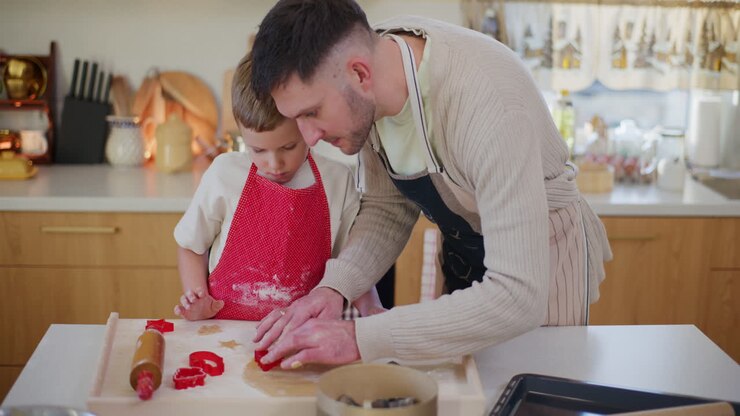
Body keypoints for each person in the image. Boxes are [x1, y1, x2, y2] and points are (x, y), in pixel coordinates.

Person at [249, 0, 612, 369]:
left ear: (360, 74)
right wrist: (336, 287)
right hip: (465, 253)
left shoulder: (489, 107)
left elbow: (517, 295)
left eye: (312, 112)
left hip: (540, 265)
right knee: (466, 394)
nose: (308, 137)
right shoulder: (373, 75)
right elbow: (387, 209)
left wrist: (360, 339)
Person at [173, 52, 385, 322]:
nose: (275, 164)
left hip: (302, 333)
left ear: (309, 127)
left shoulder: (338, 181)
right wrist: (197, 297)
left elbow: (353, 264)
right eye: (258, 149)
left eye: (288, 147)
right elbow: (191, 246)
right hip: (223, 330)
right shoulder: (224, 174)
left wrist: (373, 311)